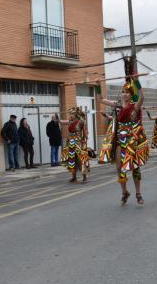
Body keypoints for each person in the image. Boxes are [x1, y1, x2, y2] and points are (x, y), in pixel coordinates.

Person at [95, 73, 148, 204]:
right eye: (123, 92)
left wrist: (137, 83)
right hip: (120, 140)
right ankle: (125, 192)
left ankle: (138, 193)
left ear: (131, 94)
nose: (124, 94)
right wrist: (97, 86)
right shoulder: (117, 105)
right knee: (119, 167)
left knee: (135, 167)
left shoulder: (135, 106)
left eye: (127, 92)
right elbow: (100, 100)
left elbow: (142, 97)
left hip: (132, 140)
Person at [58, 107, 89, 183]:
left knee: (81, 160)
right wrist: (57, 119)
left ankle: (84, 176)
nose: (70, 115)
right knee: (71, 160)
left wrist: (84, 139)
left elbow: (85, 131)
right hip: (71, 143)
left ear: (75, 114)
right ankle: (74, 177)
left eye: (72, 114)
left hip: (78, 142)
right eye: (70, 114)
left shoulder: (81, 121)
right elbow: (62, 122)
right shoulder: (70, 121)